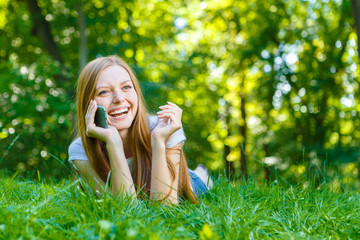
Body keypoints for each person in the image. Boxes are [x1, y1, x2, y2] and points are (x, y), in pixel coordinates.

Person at [68, 55, 212, 204]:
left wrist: (158, 141)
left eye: (126, 87)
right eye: (104, 92)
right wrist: (113, 141)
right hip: (140, 194)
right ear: (88, 103)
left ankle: (202, 174)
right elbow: (126, 209)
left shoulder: (163, 127)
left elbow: (165, 209)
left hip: (186, 183)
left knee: (199, 179)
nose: (119, 98)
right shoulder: (80, 150)